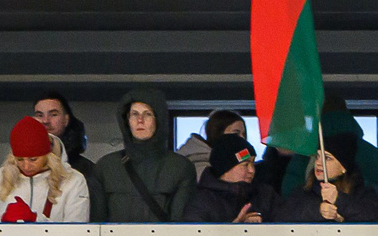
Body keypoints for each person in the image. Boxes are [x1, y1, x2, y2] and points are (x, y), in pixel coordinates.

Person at [92, 87, 194, 222]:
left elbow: (181, 224)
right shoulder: (106, 167)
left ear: (159, 119)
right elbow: (96, 224)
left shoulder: (180, 167)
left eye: (147, 114)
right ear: (127, 120)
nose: (140, 120)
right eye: (134, 114)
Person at [0, 118, 91, 222]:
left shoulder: (73, 181)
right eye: (19, 159)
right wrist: (2, 220)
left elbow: (77, 230)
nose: (26, 166)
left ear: (48, 155)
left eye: (33, 159)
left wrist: (35, 219)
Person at [268, 127, 378, 222]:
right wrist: (318, 211)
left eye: (327, 158)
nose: (319, 163)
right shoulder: (303, 192)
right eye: (317, 157)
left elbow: (377, 218)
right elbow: (281, 217)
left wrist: (339, 200)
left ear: (343, 167)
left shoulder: (362, 193)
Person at [182, 131, 270, 222]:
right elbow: (193, 230)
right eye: (245, 164)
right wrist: (236, 227)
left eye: (253, 163)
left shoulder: (265, 195)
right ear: (225, 168)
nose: (252, 170)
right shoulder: (201, 202)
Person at [30, 93, 101, 190]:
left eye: (53, 114)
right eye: (39, 115)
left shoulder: (86, 170)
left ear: (66, 120)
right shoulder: (21, 165)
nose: (45, 121)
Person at [176, 109, 249, 179]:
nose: (242, 137)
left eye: (243, 134)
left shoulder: (240, 159)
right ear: (218, 133)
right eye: (236, 133)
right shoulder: (200, 166)